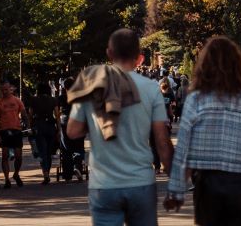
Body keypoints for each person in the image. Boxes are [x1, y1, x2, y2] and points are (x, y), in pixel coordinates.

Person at [164, 36, 241, 225]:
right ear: (238, 66)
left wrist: (176, 189)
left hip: (207, 188)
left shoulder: (196, 100)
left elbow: (183, 147)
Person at [66, 29, 172, 226]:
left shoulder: (92, 86)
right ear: (139, 57)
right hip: (140, 182)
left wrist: (96, 119)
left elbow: (72, 131)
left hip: (103, 184)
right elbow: (162, 142)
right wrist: (175, 183)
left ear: (109, 53)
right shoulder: (151, 89)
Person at [0, 81, 27, 188]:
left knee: (18, 156)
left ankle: (16, 174)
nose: (4, 91)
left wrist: (28, 127)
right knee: (5, 156)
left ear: (10, 89)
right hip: (4, 131)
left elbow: (24, 114)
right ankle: (7, 179)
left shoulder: (17, 101)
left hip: (16, 130)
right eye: (3, 90)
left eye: (6, 89)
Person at [26, 82, 58, 184]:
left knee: (42, 150)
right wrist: (59, 129)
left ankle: (45, 173)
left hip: (39, 125)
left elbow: (30, 114)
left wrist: (30, 126)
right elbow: (57, 115)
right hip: (51, 126)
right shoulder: (53, 100)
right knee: (49, 151)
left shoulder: (34, 100)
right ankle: (47, 170)